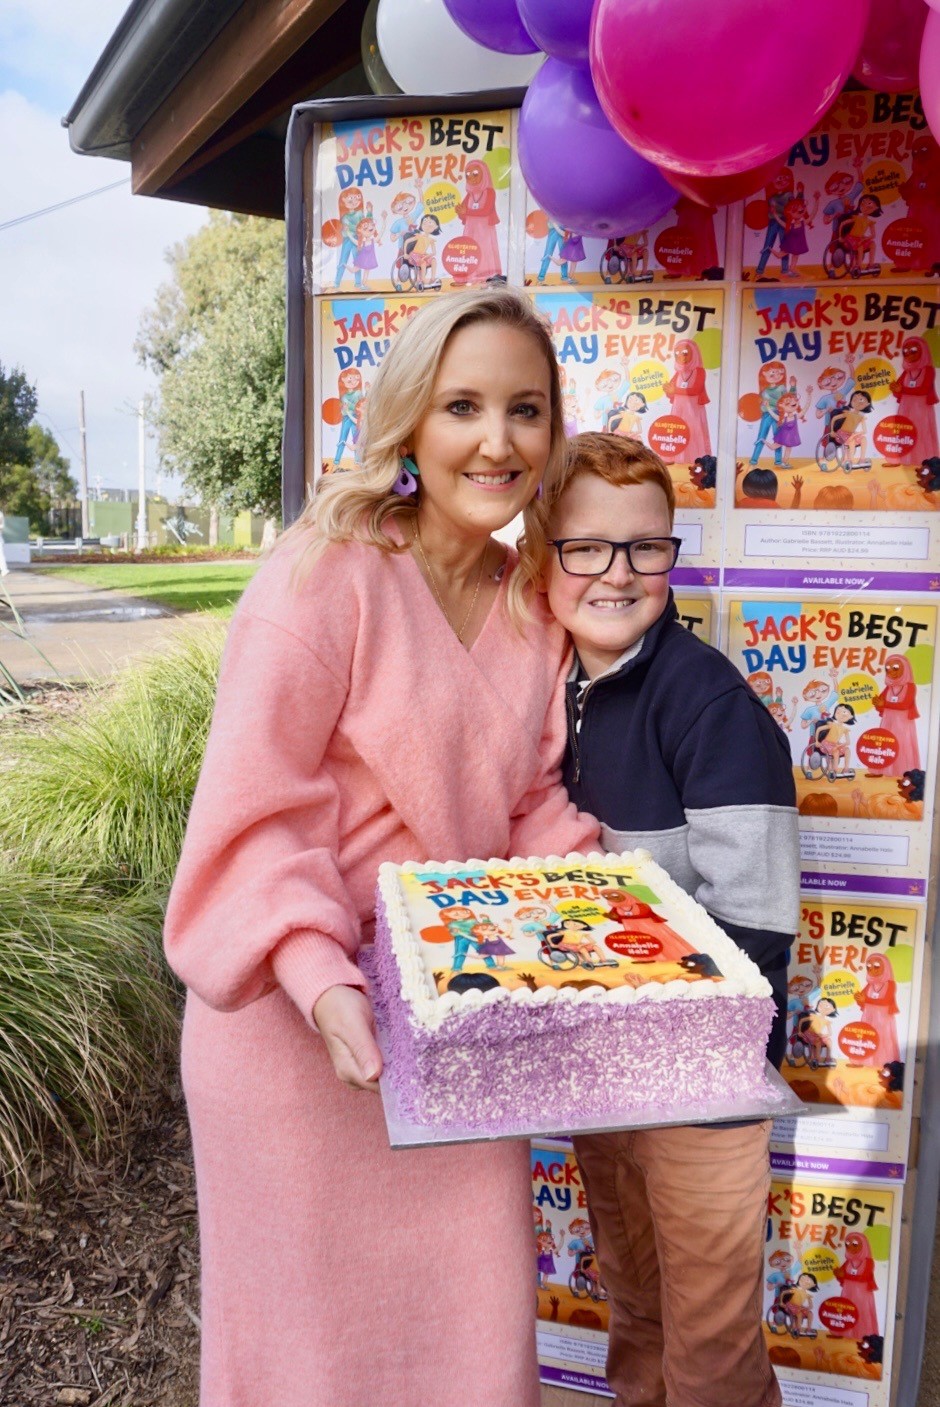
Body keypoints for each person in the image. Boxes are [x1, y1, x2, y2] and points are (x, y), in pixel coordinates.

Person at [163, 287, 599, 1407]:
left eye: (525, 409)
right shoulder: (323, 577)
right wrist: (322, 980)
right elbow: (258, 813)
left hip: (452, 1042)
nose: (496, 441)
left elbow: (529, 814)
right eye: (463, 406)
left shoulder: (533, 610)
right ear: (411, 423)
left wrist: (606, 918)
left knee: (469, 1349)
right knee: (309, 1365)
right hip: (296, 1041)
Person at [517, 431, 799, 1407]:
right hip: (602, 1076)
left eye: (646, 547)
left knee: (712, 1354)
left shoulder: (707, 702)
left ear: (673, 553)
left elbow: (755, 925)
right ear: (544, 552)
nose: (619, 572)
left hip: (698, 1087)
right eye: (588, 546)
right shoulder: (545, 692)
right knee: (633, 1314)